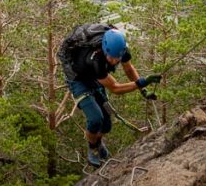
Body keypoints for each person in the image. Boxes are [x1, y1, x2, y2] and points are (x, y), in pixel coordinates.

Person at [59, 23, 162, 167]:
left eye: (117, 58)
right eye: (112, 58)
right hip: (78, 80)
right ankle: (92, 148)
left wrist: (143, 91)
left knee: (106, 125)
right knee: (95, 119)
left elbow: (129, 69)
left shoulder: (121, 49)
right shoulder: (96, 59)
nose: (115, 61)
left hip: (94, 76)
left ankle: (98, 142)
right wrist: (143, 83)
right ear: (104, 50)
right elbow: (115, 88)